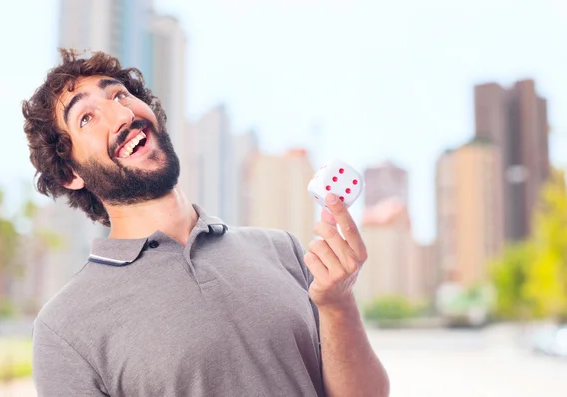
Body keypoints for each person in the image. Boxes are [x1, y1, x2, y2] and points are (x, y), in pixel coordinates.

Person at [22, 48, 389, 397]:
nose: (121, 115)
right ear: (70, 173)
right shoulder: (64, 328)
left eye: (119, 96)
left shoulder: (283, 250)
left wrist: (338, 305)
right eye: (87, 117)